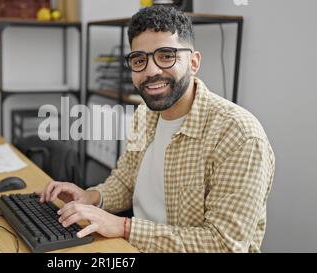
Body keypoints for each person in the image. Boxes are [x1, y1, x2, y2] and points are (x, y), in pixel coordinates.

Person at [38, 5, 275, 253]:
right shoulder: (145, 113)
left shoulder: (239, 135)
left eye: (166, 55)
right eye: (139, 60)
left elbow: (223, 244)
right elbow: (126, 180)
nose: (151, 71)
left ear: (193, 63)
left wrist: (125, 227)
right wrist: (91, 197)